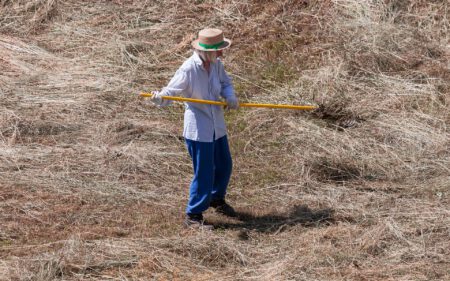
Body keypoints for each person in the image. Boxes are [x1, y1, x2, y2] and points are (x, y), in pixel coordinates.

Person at [150, 28, 239, 230]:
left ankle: (216, 199)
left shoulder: (216, 65)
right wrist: (159, 98)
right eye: (219, 50)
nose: (222, 53)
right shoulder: (188, 69)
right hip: (199, 129)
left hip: (217, 124)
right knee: (204, 171)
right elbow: (171, 92)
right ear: (208, 51)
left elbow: (226, 83)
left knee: (224, 164)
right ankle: (194, 215)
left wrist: (230, 96)